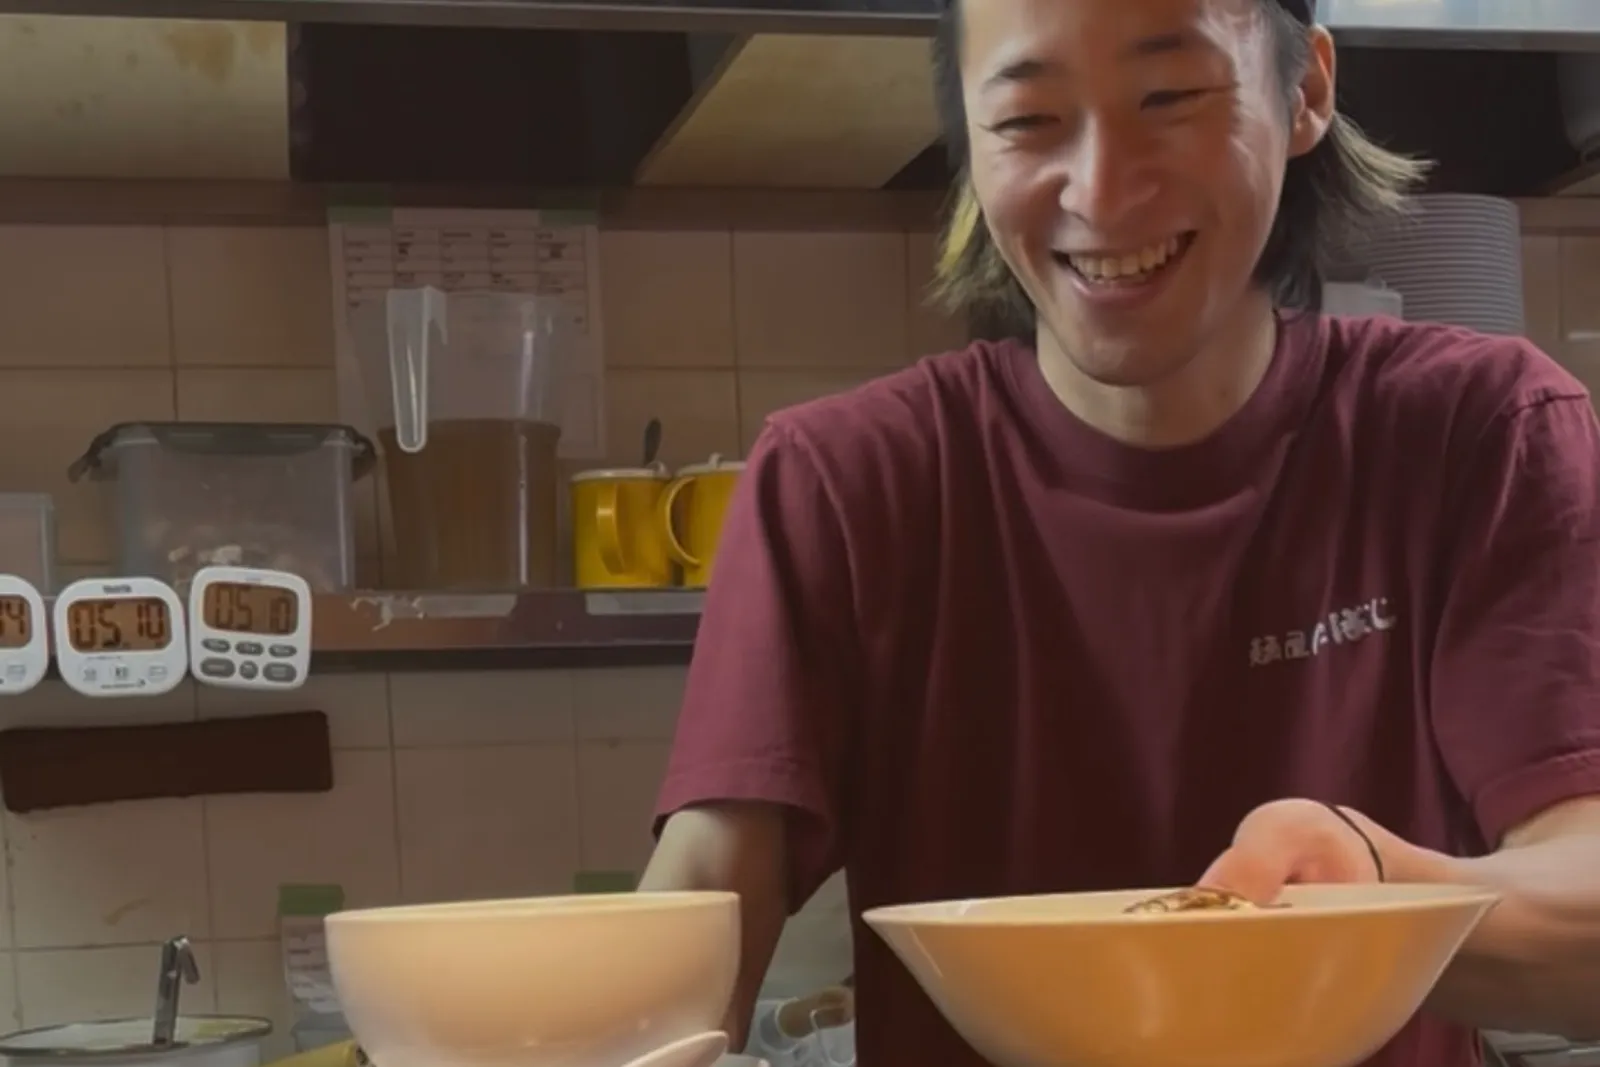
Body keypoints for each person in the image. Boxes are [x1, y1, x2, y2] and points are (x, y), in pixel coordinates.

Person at [640, 0, 1600, 1063]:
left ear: (1306, 92)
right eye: (1027, 120)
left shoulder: (1478, 432)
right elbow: (699, 908)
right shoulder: (845, 481)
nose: (1099, 191)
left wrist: (1381, 893)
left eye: (1170, 97)